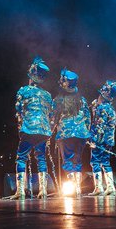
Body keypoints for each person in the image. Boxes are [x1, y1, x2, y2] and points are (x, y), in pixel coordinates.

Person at [11, 56, 54, 200]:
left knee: (21, 157)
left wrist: (21, 126)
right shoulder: (47, 95)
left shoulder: (23, 91)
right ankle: (43, 191)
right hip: (44, 130)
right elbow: (51, 115)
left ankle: (20, 191)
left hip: (29, 129)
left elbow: (18, 110)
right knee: (41, 158)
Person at [51, 69, 90, 195]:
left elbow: (53, 118)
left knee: (67, 161)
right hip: (81, 134)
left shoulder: (58, 100)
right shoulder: (82, 99)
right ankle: (78, 188)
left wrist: (49, 133)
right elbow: (88, 118)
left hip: (65, 134)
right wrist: (86, 133)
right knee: (77, 160)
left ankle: (72, 188)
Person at [88, 79, 116, 196]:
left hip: (100, 139)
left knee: (95, 162)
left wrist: (94, 140)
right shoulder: (110, 108)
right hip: (109, 140)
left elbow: (99, 127)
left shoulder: (102, 108)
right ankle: (111, 187)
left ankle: (99, 188)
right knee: (105, 162)